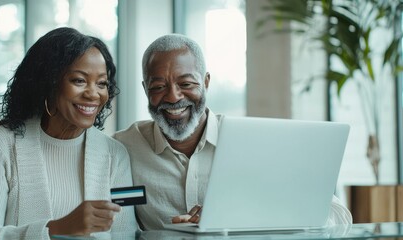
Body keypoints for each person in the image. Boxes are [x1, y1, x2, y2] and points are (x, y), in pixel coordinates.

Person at [113, 34, 353, 230]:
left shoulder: (254, 143)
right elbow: (114, 216)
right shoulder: (123, 148)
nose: (173, 97)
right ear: (146, 90)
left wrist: (246, 216)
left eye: (186, 84)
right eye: (158, 87)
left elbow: (339, 217)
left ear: (206, 82)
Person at [0, 27, 137, 239]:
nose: (93, 94)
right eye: (79, 80)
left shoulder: (115, 155)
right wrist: (57, 228)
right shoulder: (0, 146)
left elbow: (125, 236)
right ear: (49, 83)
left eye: (102, 84)